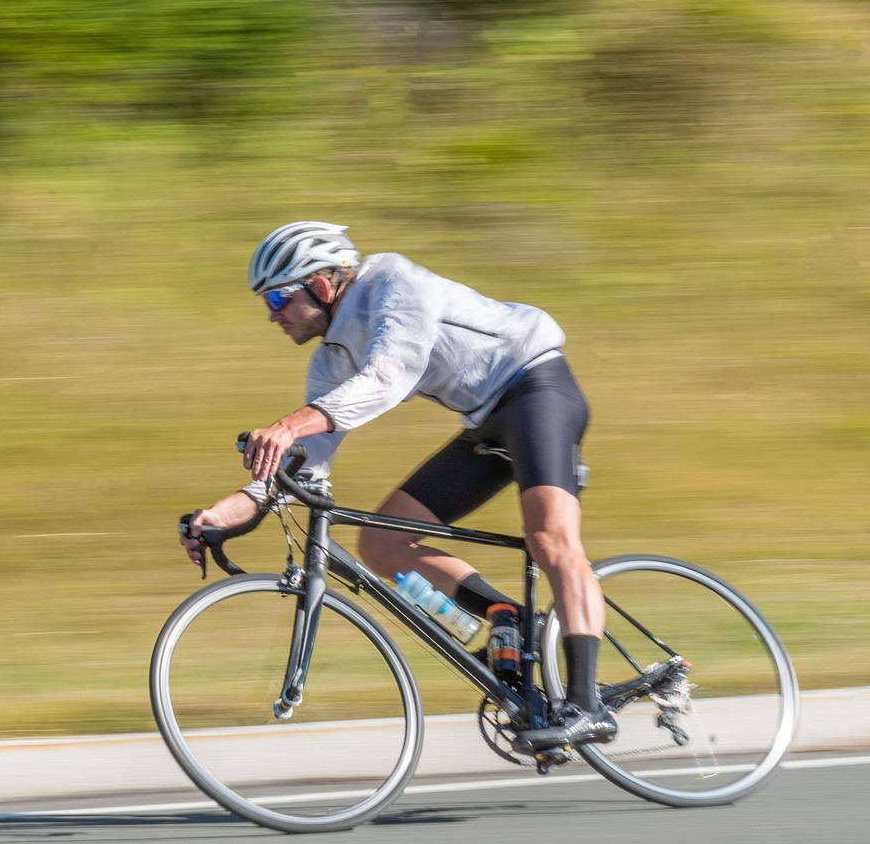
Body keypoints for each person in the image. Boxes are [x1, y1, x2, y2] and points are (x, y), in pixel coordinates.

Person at [179, 221, 616, 752]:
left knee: (550, 539)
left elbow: (390, 376)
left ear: (320, 285)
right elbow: (305, 469)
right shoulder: (330, 360)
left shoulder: (394, 283)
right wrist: (222, 516)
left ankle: (588, 705)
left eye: (277, 296)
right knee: (381, 544)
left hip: (537, 389)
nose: (271, 313)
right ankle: (509, 616)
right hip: (486, 423)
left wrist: (290, 424)